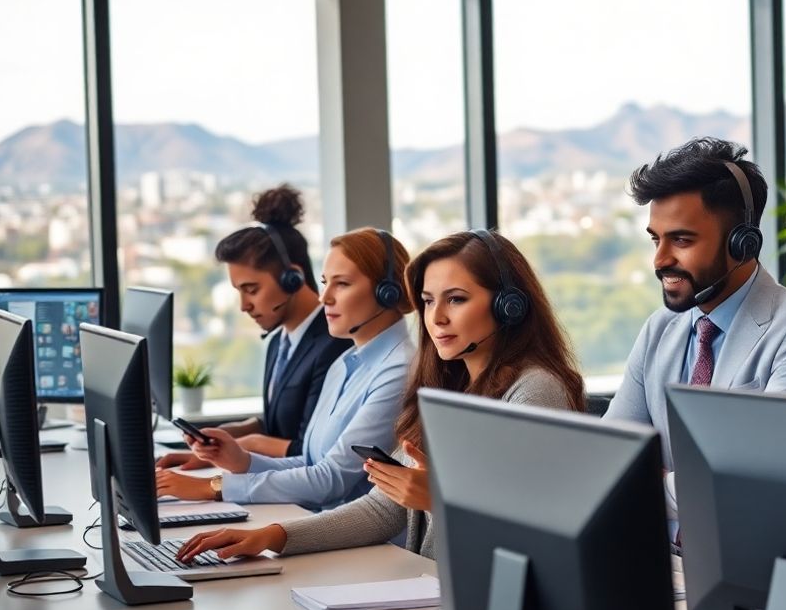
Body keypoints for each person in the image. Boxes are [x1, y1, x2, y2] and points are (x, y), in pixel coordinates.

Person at [174, 230, 585, 562]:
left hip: (488, 604)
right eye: (427, 301)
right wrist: (270, 536)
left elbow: (538, 533)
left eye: (456, 299)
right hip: (431, 587)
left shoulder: (535, 391)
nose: (436, 318)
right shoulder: (447, 388)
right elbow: (381, 508)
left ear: (508, 306)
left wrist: (443, 499)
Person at [606, 138, 786, 523]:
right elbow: (611, 461)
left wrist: (651, 482)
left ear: (742, 243)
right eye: (656, 239)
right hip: (654, 559)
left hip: (748, 564)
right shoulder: (658, 329)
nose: (660, 259)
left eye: (682, 240)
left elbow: (754, 483)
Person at [156, 228, 417, 511]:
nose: (324, 297)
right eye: (324, 282)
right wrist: (241, 460)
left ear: (386, 292)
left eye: (341, 284)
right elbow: (309, 461)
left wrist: (212, 487)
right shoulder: (344, 365)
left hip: (362, 542)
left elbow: (330, 480)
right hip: (316, 524)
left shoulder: (399, 371)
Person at [158, 185, 349, 468]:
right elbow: (277, 423)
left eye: (251, 289)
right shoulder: (278, 341)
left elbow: (307, 448)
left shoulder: (334, 344)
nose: (244, 305)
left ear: (292, 278)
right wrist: (224, 436)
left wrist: (241, 447)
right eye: (239, 290)